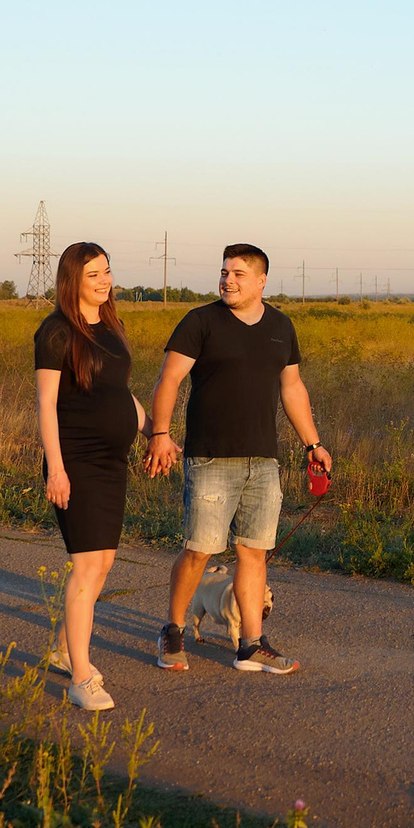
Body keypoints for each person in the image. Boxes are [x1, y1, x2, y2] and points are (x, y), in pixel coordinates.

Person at [143, 243, 330, 674]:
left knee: (254, 553)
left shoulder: (281, 327)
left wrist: (312, 444)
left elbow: (293, 388)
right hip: (210, 458)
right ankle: (172, 630)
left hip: (263, 461)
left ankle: (250, 645)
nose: (228, 279)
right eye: (224, 272)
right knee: (200, 551)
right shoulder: (201, 322)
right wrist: (159, 433)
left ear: (262, 281)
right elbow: (169, 378)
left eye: (239, 273)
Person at [33, 241, 147, 711]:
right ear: (72, 280)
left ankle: (63, 647)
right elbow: (45, 404)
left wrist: (154, 431)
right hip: (75, 459)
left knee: (102, 563)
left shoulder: (112, 326)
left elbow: (119, 394)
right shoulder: (56, 331)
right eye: (94, 274)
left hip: (112, 461)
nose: (105, 281)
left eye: (107, 272)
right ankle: (80, 676)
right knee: (85, 566)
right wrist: (56, 469)